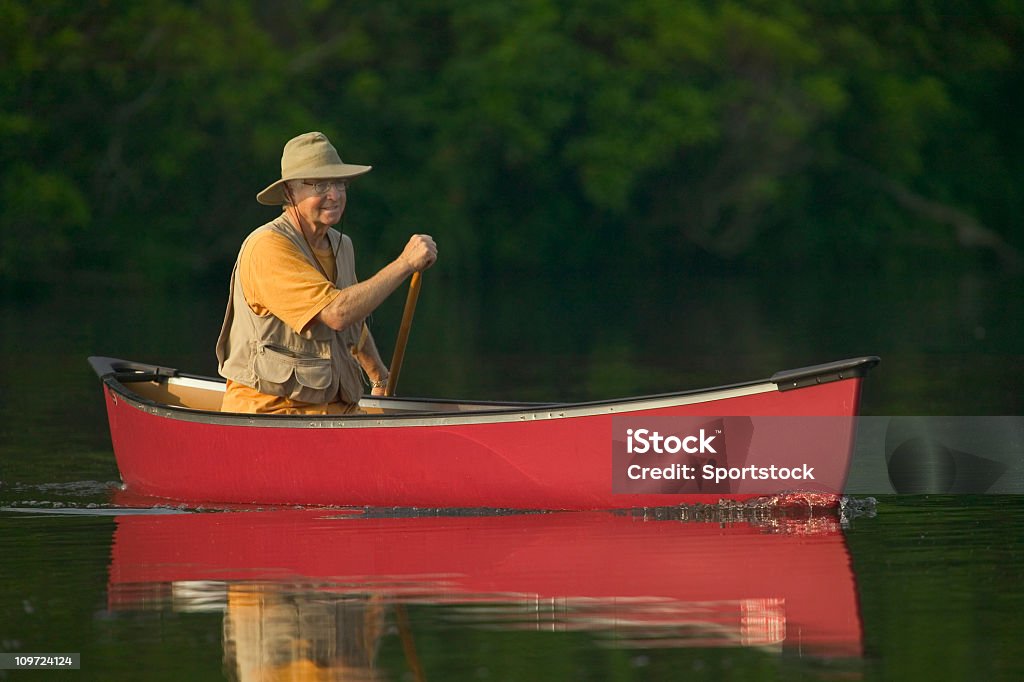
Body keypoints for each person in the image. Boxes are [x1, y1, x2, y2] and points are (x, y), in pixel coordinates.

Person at [216, 131, 437, 414]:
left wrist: (379, 376)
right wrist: (405, 263)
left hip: (335, 413)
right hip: (271, 415)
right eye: (319, 185)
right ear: (289, 192)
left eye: (339, 183)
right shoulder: (267, 246)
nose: (333, 195)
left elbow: (353, 320)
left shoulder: (342, 245)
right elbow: (337, 313)